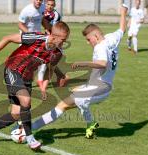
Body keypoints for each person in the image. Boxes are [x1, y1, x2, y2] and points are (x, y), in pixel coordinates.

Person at [21, 4, 129, 139]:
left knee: (68, 103)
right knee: (65, 103)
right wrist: (124, 12)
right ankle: (90, 124)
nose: (88, 43)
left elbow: (102, 64)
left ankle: (28, 130)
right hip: (96, 85)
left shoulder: (100, 48)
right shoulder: (111, 38)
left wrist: (81, 64)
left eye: (89, 40)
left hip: (102, 88)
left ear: (96, 35)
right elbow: (122, 29)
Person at [0, 21, 70, 150]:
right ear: (54, 37)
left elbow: (50, 68)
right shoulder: (36, 38)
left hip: (26, 77)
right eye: (63, 40)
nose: (64, 43)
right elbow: (8, 38)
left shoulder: (57, 53)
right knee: (26, 101)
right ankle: (30, 139)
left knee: (16, 114)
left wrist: (59, 76)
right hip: (13, 69)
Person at [37, 0, 68, 100]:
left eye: (52, 5)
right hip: (45, 40)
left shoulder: (56, 15)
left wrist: (46, 27)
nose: (49, 6)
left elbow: (55, 30)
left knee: (47, 64)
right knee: (46, 63)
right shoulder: (41, 11)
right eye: (48, 4)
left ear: (54, 6)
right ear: (44, 4)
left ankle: (43, 87)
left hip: (54, 42)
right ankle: (61, 76)